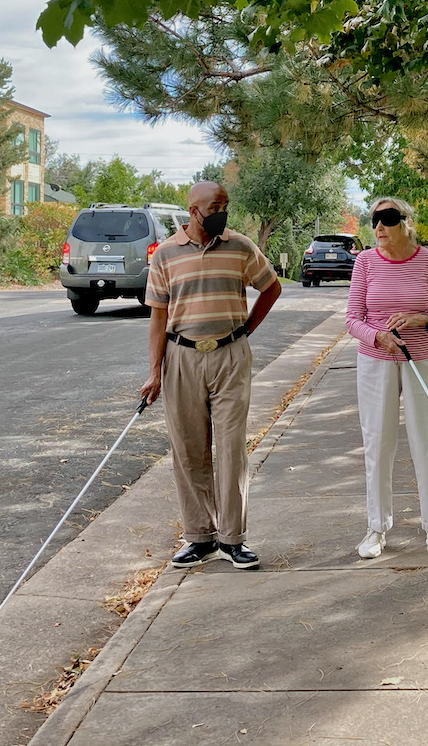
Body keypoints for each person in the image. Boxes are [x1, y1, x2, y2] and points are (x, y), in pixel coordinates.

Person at [139, 181, 282, 570]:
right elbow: (158, 317)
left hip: (230, 356)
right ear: (193, 210)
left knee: (231, 447)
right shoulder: (165, 254)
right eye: (215, 205)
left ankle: (233, 539)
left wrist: (246, 330)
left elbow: (271, 288)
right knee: (188, 450)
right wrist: (155, 372)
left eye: (226, 204)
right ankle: (200, 537)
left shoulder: (240, 246)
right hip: (181, 357)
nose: (222, 211)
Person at [346, 197, 428, 559]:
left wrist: (422, 319)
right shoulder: (364, 262)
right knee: (378, 443)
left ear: (405, 222)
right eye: (374, 220)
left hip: (422, 360)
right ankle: (376, 529)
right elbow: (352, 319)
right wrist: (378, 336)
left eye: (387, 219)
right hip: (377, 360)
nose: (378, 227)